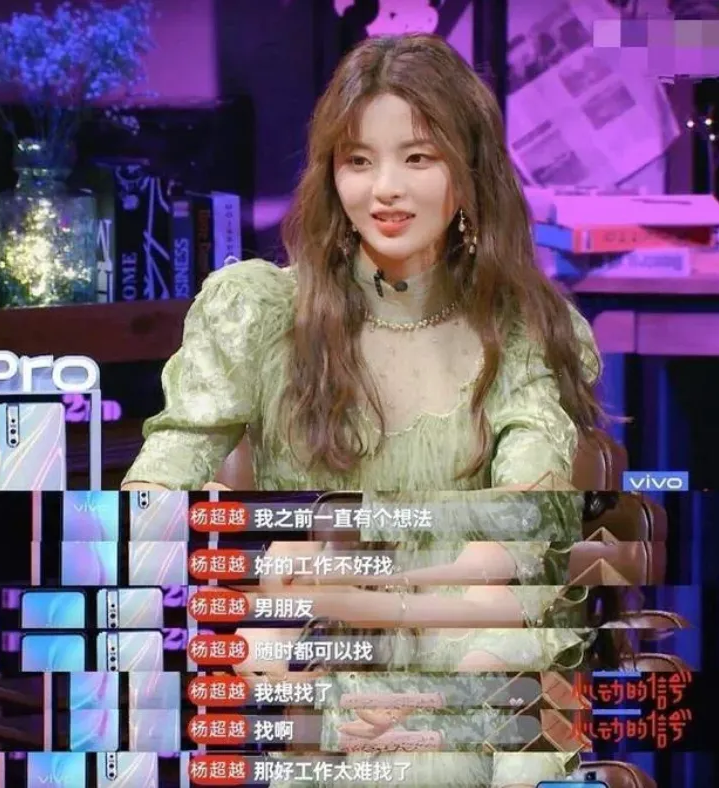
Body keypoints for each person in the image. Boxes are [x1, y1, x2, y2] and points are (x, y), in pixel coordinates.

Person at [124, 32, 609, 786]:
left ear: (469, 171)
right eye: (357, 160)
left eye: (417, 158)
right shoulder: (256, 312)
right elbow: (155, 494)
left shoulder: (523, 330)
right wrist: (240, 565)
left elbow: (523, 532)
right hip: (300, 646)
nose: (384, 189)